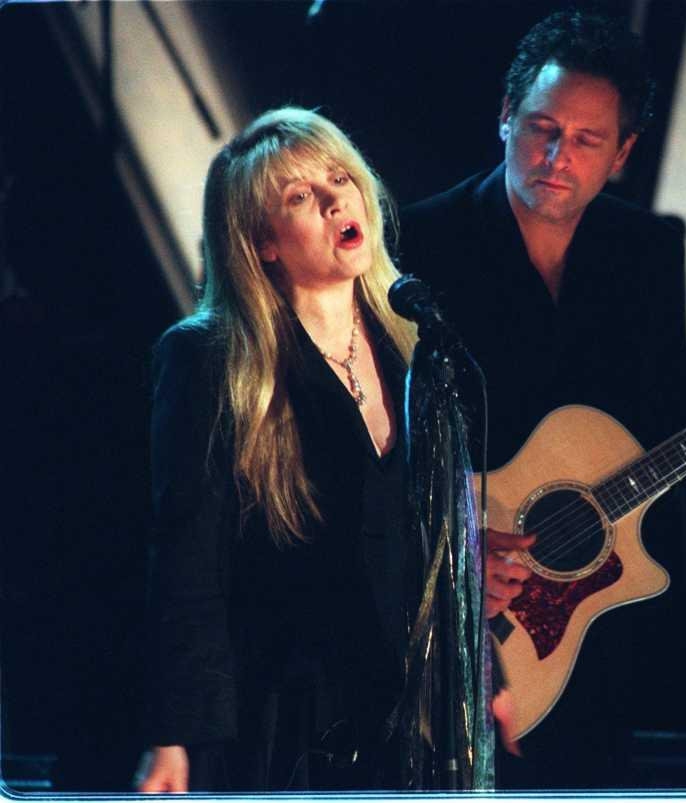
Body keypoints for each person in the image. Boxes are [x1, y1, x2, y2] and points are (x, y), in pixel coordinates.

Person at [398, 10, 686, 789]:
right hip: (453, 626)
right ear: (505, 116)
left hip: (601, 627)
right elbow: (374, 436)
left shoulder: (646, 253)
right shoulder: (422, 244)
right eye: (541, 128)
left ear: (623, 155)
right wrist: (450, 542)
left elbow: (660, 424)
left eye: (588, 141)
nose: (557, 157)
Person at [138, 108, 492, 793]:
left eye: (339, 179)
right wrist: (174, 734)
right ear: (263, 242)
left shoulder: (415, 347)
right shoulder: (210, 358)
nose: (335, 201)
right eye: (300, 197)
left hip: (407, 720)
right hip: (282, 718)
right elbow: (186, 558)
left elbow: (448, 545)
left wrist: (484, 680)